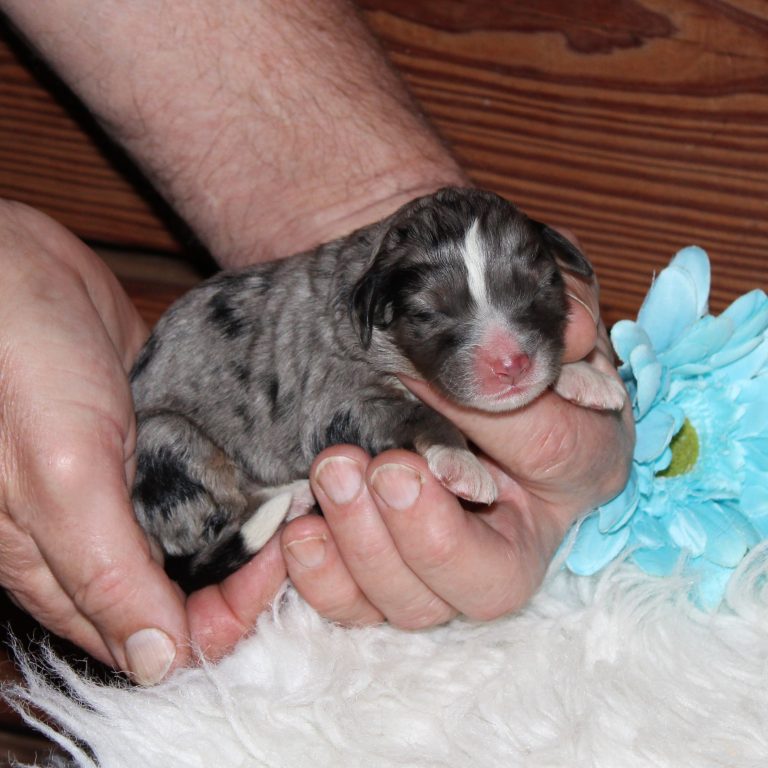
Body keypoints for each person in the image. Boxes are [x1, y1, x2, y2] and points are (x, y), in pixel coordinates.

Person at [0, 0, 634, 685]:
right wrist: (440, 437)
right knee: (183, 455)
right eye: (436, 313)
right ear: (373, 308)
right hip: (202, 450)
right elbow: (347, 417)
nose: (505, 347)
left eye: (534, 288)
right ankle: (229, 533)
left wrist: (555, 379)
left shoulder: (392, 296)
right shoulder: (343, 336)